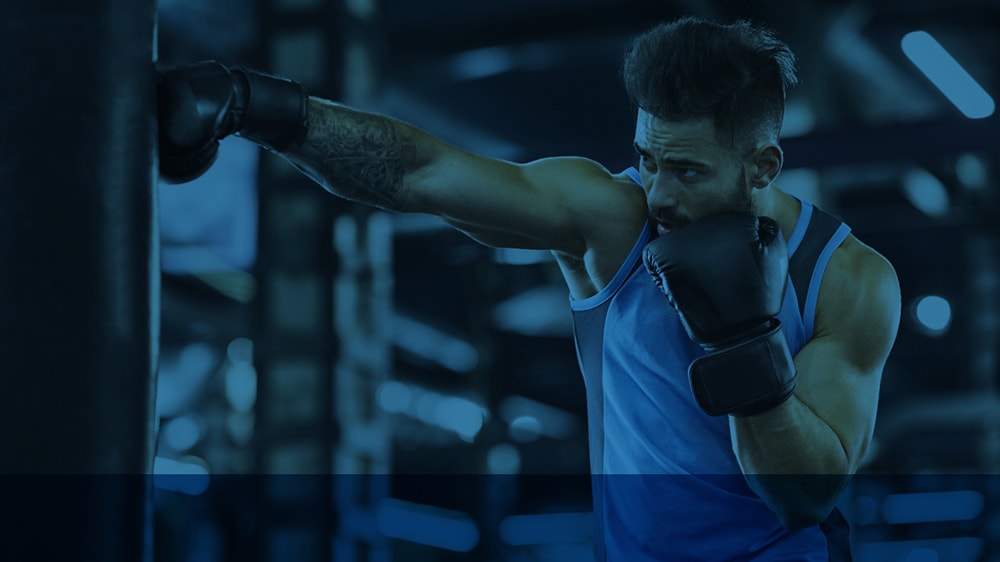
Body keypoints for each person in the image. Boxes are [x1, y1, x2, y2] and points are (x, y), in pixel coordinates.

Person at [158, 15, 901, 561]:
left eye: (688, 171)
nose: (660, 194)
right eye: (648, 159)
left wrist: (745, 342)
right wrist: (258, 108)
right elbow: (424, 173)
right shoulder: (612, 222)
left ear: (764, 166)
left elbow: (806, 495)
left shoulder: (848, 277)